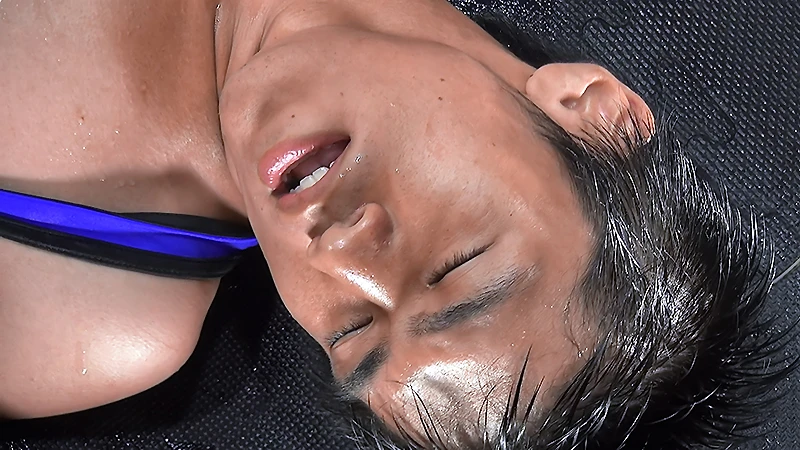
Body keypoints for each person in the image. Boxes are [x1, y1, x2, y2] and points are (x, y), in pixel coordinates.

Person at [0, 0, 793, 449]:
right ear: (592, 113)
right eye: (453, 265)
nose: (339, 255)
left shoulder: (85, 304)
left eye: (350, 333)